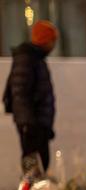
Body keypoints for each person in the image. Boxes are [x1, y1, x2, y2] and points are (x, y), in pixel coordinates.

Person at [4, 20, 58, 171]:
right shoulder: (28, 59)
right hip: (32, 123)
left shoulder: (34, 58)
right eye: (53, 40)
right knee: (34, 165)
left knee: (39, 163)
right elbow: (20, 93)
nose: (54, 45)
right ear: (45, 40)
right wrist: (29, 123)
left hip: (37, 122)